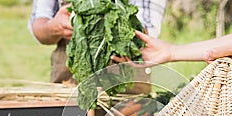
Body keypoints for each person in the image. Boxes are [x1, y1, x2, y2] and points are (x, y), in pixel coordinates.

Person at [28, 0, 168, 83]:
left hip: (125, 81)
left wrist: (110, 28)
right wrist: (55, 26)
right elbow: (39, 24)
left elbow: (147, 30)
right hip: (68, 83)